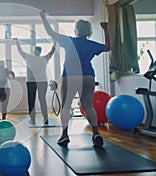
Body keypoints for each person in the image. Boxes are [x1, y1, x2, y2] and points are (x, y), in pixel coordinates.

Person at [39, 10, 110, 147]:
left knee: (66, 106)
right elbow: (108, 47)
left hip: (71, 76)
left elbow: (50, 33)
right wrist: (106, 30)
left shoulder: (69, 41)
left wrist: (43, 17)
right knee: (88, 106)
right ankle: (96, 134)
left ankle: (65, 135)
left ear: (76, 31)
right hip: (88, 75)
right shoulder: (91, 44)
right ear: (88, 31)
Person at [15, 38, 55, 125]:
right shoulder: (44, 58)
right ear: (40, 52)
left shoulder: (29, 57)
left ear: (34, 51)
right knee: (42, 100)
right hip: (42, 81)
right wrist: (55, 41)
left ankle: (33, 120)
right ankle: (45, 119)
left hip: (31, 81)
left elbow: (20, 51)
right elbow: (52, 51)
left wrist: (17, 41)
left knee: (31, 100)